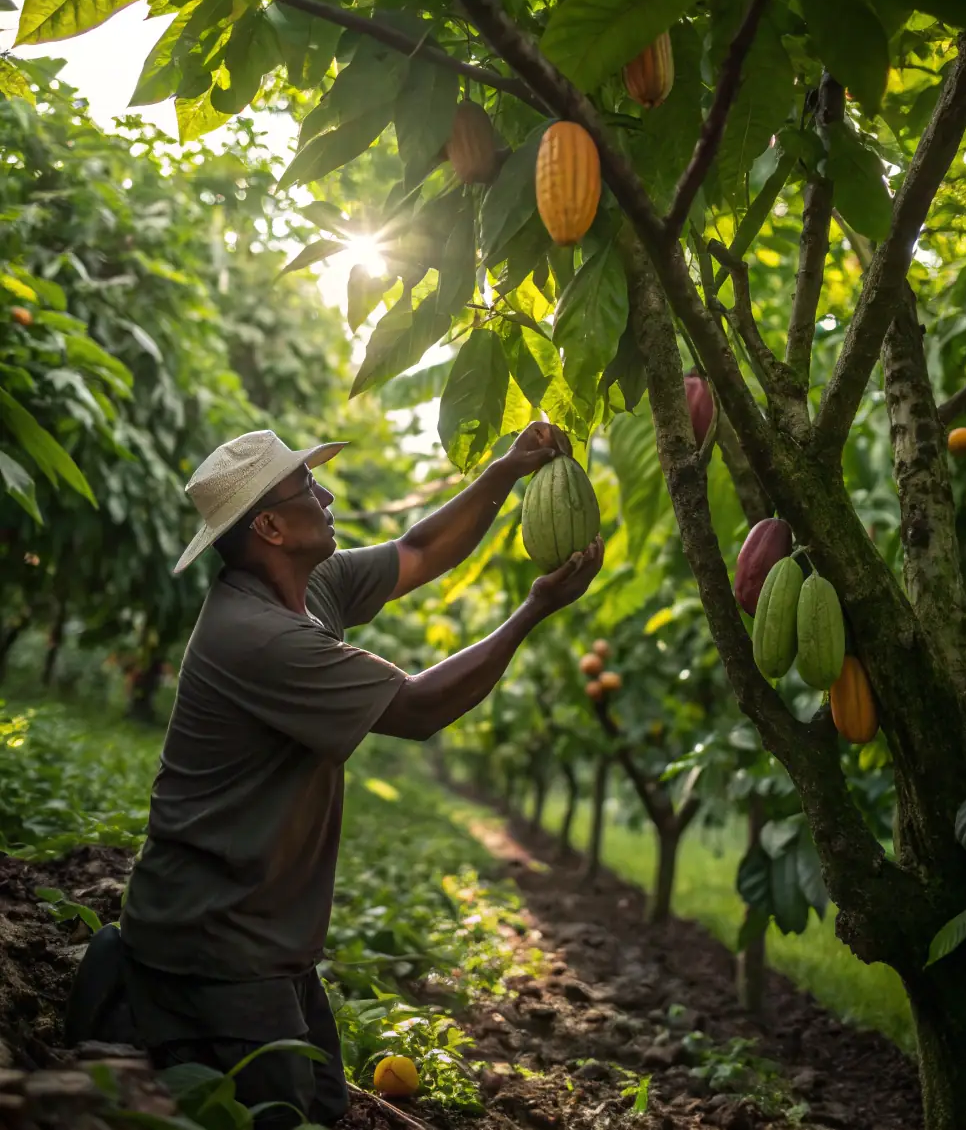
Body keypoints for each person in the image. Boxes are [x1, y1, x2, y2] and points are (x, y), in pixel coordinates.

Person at [64, 424, 603, 1128]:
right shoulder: (257, 636)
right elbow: (418, 707)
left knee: (324, 1103)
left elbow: (418, 551)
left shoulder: (307, 586)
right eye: (305, 487)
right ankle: (144, 1013)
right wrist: (533, 609)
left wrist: (508, 469)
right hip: (214, 942)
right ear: (270, 525)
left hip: (264, 936)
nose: (324, 493)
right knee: (275, 1115)